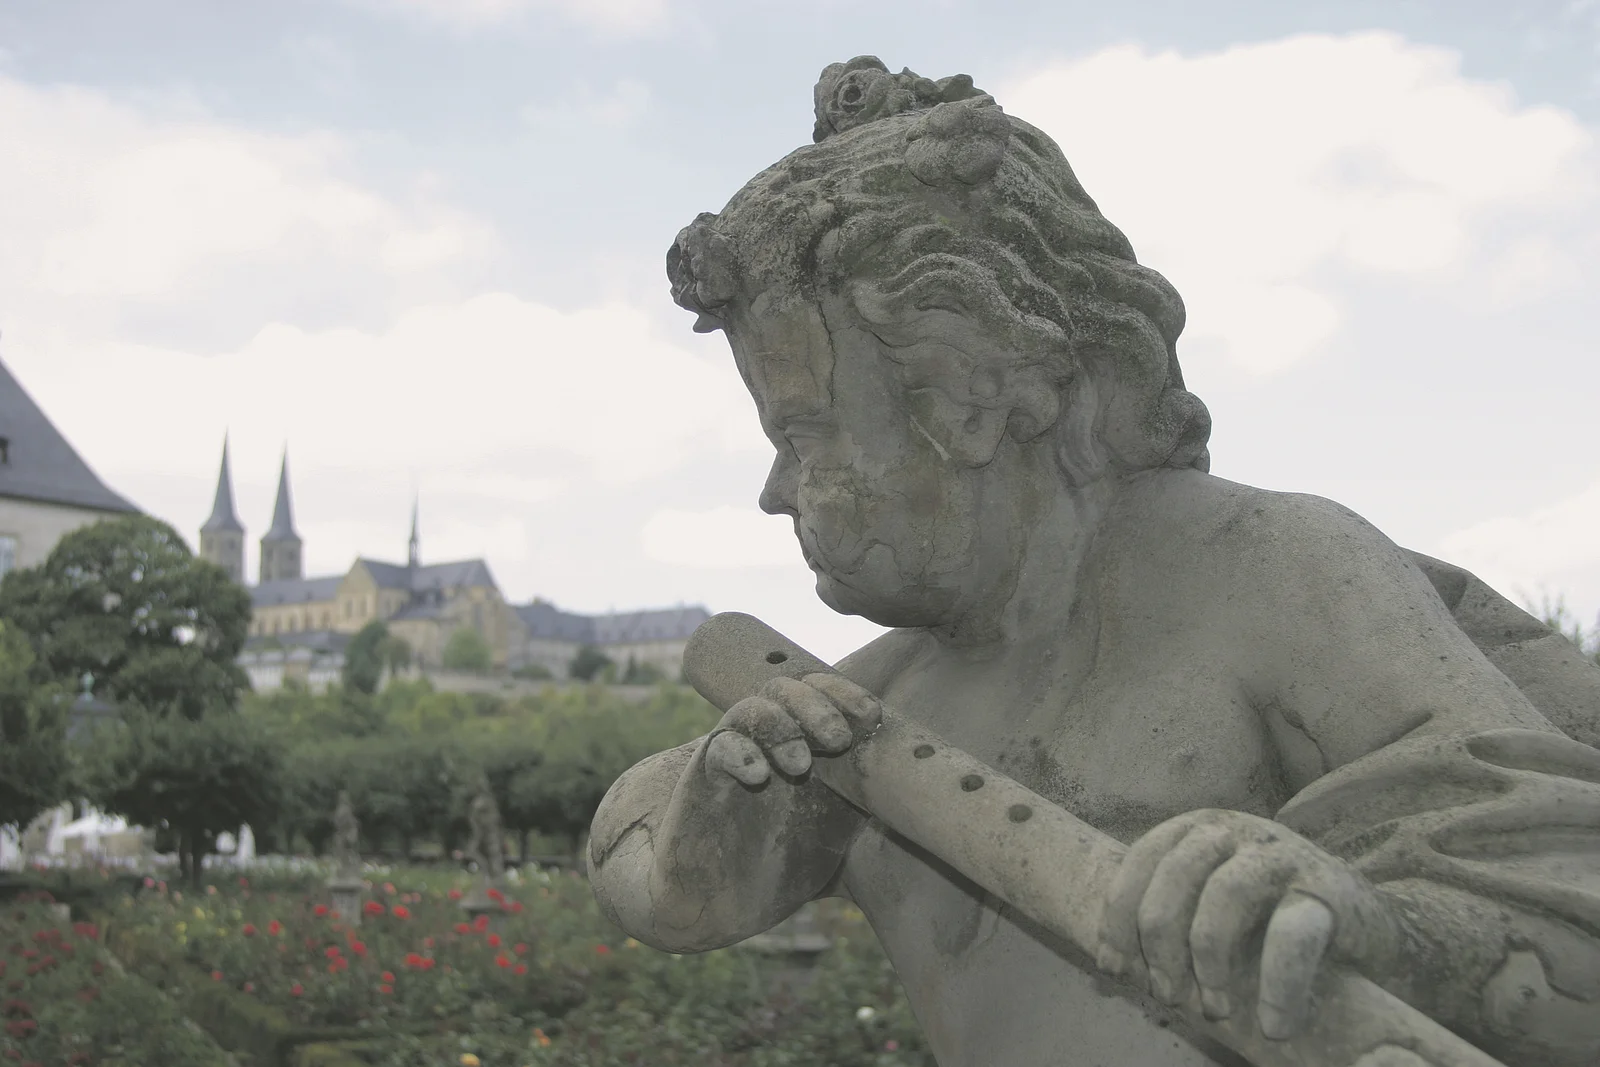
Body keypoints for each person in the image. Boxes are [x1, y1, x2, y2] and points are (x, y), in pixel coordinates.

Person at [589, 56, 1600, 1067]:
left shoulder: (1273, 574)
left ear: (966, 399)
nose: (775, 488)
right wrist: (722, 812)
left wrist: (1386, 925)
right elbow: (646, 873)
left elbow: (1567, 883)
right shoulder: (872, 705)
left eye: (805, 432)